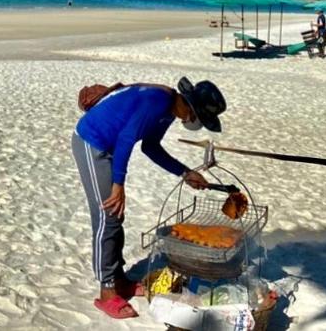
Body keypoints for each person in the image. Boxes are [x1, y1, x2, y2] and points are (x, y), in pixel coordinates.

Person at [71, 77, 226, 320]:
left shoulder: (168, 110)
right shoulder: (156, 101)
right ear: (189, 105)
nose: (189, 121)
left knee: (116, 216)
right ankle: (107, 291)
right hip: (92, 142)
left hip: (110, 146)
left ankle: (119, 280)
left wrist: (185, 173)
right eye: (194, 116)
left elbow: (150, 147)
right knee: (107, 215)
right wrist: (118, 185)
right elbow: (125, 140)